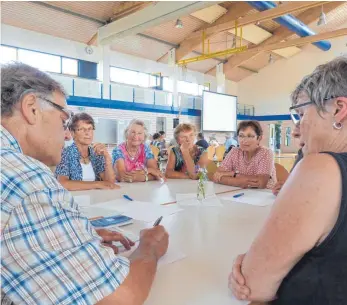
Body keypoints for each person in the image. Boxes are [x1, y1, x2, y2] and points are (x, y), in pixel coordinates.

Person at [1, 63, 169, 305]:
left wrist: (68, 237)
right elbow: (119, 298)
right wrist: (149, 246)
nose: (67, 134)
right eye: (63, 120)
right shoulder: (25, 179)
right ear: (31, 109)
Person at [229, 56, 347, 304]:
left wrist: (249, 263)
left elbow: (253, 286)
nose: (300, 126)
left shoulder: (322, 169)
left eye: (303, 113)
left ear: (338, 109)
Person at [55, 112, 118, 191]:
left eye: (90, 128)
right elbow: (63, 183)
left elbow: (110, 183)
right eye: (82, 129)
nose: (87, 133)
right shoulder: (65, 153)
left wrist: (107, 157)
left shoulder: (96, 153)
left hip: (96, 200)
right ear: (72, 133)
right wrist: (97, 184)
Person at [213, 121, 277, 189]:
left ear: (259, 138)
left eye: (250, 136)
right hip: (241, 194)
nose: (244, 140)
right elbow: (217, 176)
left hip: (265, 195)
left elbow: (261, 183)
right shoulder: (234, 152)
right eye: (241, 136)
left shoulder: (265, 153)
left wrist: (233, 174)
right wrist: (242, 182)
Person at [272, 123, 303, 195]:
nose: (293, 134)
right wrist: (285, 187)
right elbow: (292, 182)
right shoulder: (302, 153)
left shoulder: (328, 159)